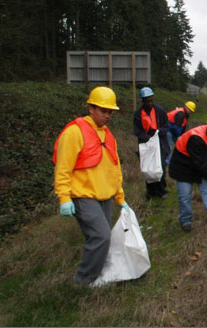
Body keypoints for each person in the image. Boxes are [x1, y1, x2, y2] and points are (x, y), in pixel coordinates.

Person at [53, 86, 131, 285]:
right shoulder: (74, 132)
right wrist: (64, 198)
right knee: (101, 237)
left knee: (101, 239)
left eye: (110, 112)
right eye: (103, 111)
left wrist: (120, 198)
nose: (107, 116)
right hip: (83, 196)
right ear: (91, 109)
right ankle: (83, 282)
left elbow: (114, 169)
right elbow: (63, 168)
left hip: (105, 197)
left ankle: (99, 274)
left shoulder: (108, 136)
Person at [133, 87, 170, 200]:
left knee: (160, 167)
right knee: (148, 169)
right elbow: (137, 131)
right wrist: (147, 138)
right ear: (143, 101)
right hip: (146, 144)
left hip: (160, 144)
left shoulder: (160, 111)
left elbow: (166, 126)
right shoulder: (138, 114)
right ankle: (151, 192)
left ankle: (161, 190)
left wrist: (159, 133)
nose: (149, 103)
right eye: (147, 101)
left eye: (151, 100)